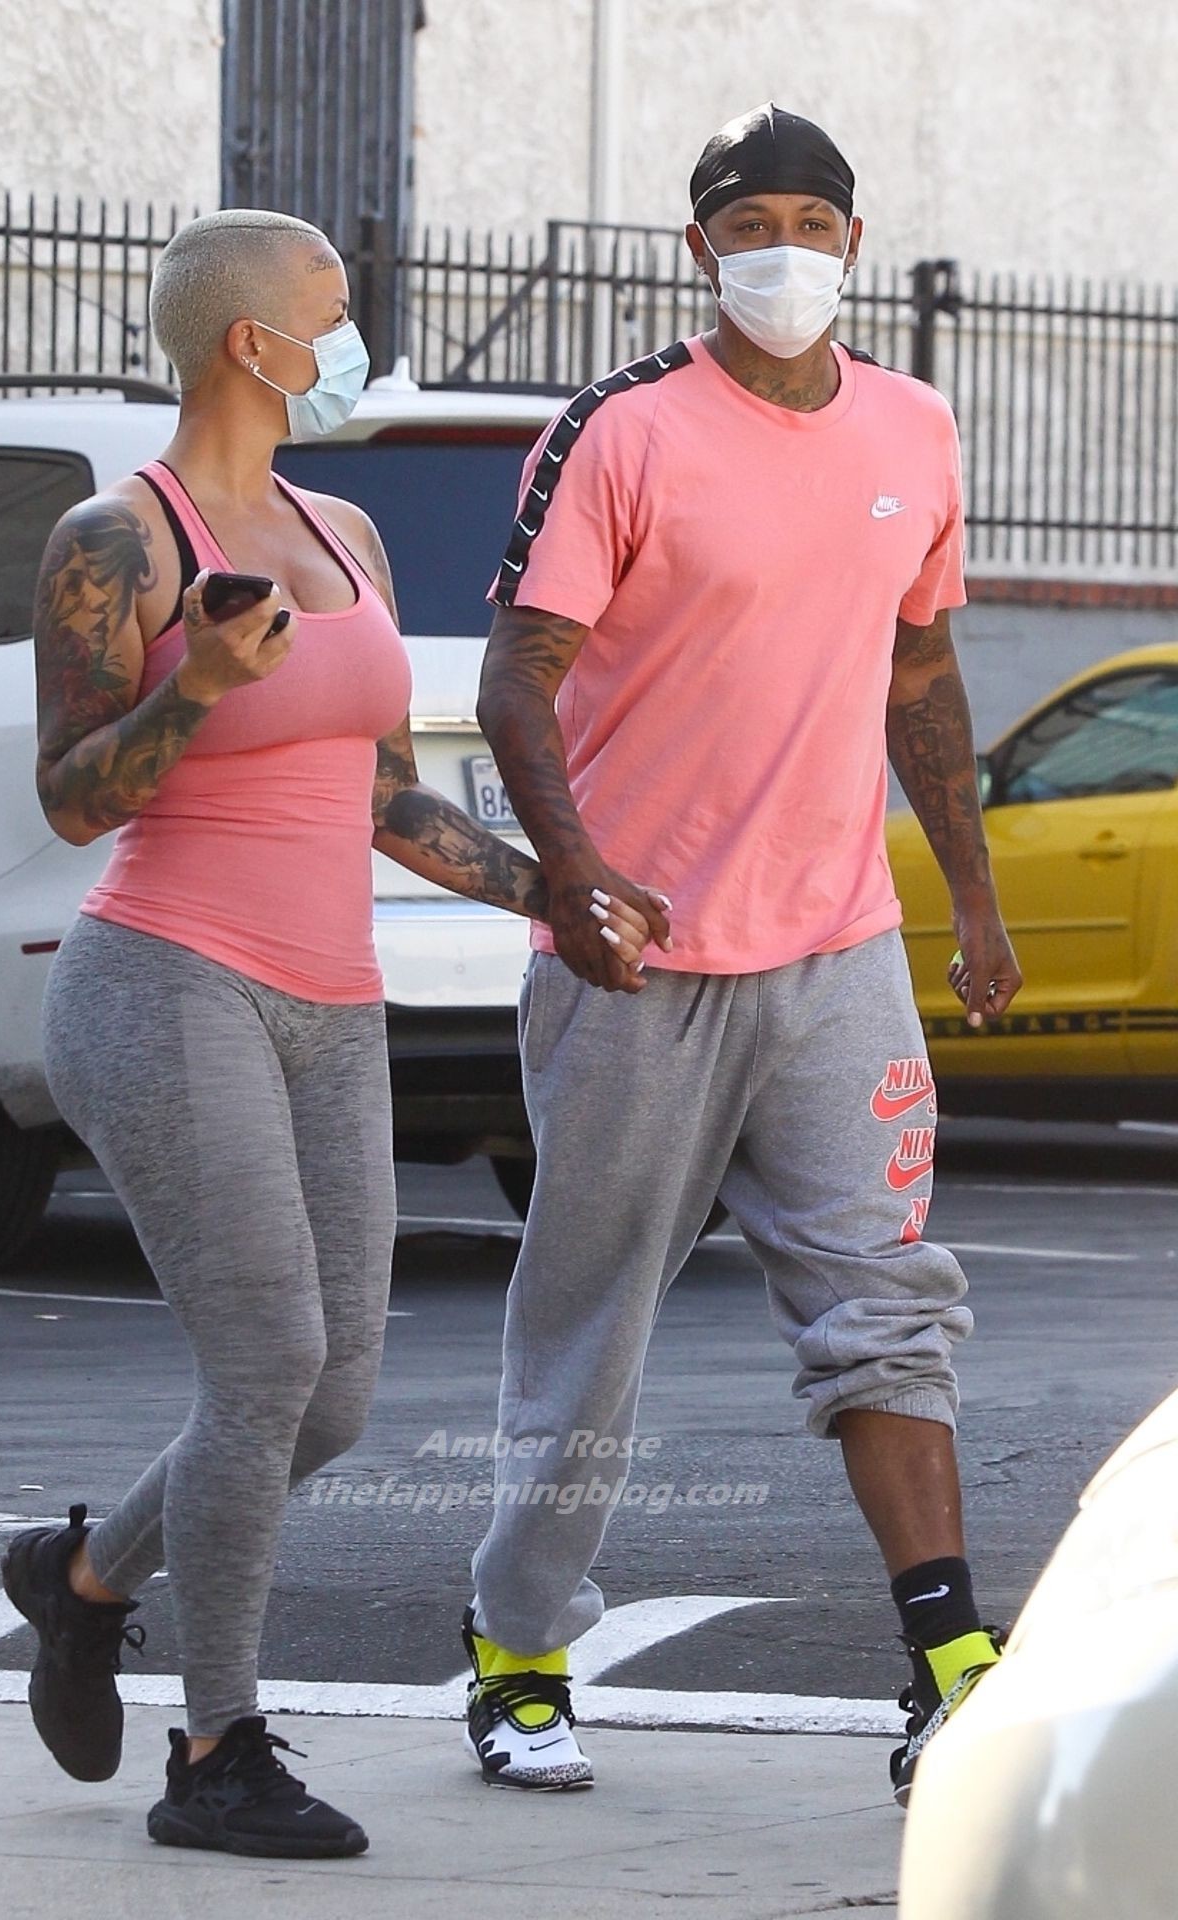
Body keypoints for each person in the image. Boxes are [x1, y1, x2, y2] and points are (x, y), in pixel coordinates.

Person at [0, 208, 662, 1861]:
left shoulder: (342, 527)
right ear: (253, 341)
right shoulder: (117, 540)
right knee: (265, 1368)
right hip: (163, 980)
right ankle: (215, 1750)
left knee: (335, 1397)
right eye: (336, 310)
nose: (356, 336)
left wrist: (555, 893)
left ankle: (81, 1585)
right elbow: (72, 797)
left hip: (332, 999)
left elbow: (379, 794)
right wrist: (195, 685)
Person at [460, 104, 1022, 1804]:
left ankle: (953, 1667)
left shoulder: (915, 426)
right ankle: (520, 1644)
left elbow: (920, 672)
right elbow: (515, 680)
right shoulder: (621, 428)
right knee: (593, 1323)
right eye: (750, 221)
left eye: (813, 220)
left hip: (840, 951)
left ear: (854, 239)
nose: (785, 248)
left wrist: (973, 895)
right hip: (642, 962)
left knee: (888, 1304)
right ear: (700, 245)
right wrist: (575, 879)